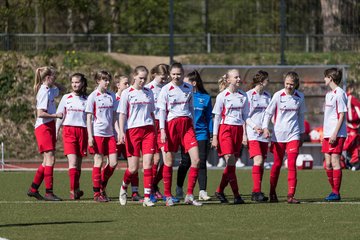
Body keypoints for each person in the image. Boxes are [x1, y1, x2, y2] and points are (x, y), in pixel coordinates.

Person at [157, 62, 202, 207]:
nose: (176, 76)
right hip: (171, 126)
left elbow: (191, 108)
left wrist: (193, 126)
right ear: (170, 74)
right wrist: (163, 130)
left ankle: (189, 195)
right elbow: (162, 112)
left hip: (187, 126)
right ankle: (168, 195)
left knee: (196, 160)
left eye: (179, 74)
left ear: (183, 74)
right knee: (169, 162)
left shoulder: (189, 87)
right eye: (174, 74)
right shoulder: (166, 89)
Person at [262, 71, 306, 204]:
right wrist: (265, 128)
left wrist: (302, 134)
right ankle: (272, 192)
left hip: (294, 134)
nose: (288, 86)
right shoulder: (277, 95)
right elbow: (268, 113)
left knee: (292, 164)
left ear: (296, 84)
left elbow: (301, 116)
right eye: (287, 84)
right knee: (277, 164)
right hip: (278, 135)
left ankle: (290, 195)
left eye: (291, 84)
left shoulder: (300, 97)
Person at [117, 66, 156, 207]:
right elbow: (122, 114)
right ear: (134, 76)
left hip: (149, 130)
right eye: (140, 78)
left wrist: (156, 130)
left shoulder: (149, 92)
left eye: (145, 78)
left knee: (148, 165)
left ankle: (147, 197)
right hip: (132, 131)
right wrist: (121, 132)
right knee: (133, 168)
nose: (143, 81)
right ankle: (123, 187)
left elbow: (152, 113)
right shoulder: (127, 93)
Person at [212, 69, 249, 204]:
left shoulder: (243, 95)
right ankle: (236, 195)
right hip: (225, 130)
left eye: (239, 77)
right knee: (231, 161)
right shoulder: (222, 96)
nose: (238, 79)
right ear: (228, 80)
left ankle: (220, 190)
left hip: (238, 130)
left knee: (231, 165)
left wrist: (247, 132)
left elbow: (245, 117)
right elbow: (216, 118)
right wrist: (215, 136)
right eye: (236, 77)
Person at [27, 66, 63, 201]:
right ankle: (49, 192)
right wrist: (55, 115)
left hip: (49, 125)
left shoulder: (49, 89)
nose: (56, 79)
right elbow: (40, 113)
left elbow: (62, 89)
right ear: (48, 78)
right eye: (54, 76)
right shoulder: (43, 92)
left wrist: (53, 81)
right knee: (50, 159)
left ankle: (33, 189)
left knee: (46, 161)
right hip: (43, 127)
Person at [176, 70, 213, 201]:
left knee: (201, 162)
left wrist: (211, 134)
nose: (183, 85)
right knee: (185, 162)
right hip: (186, 133)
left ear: (194, 83)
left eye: (186, 83)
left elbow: (209, 118)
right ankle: (179, 187)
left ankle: (202, 190)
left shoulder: (206, 98)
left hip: (202, 134)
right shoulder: (182, 96)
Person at [86, 70, 118, 202]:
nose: (107, 82)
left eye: (108, 79)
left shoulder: (112, 95)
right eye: (104, 80)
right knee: (98, 162)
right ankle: (96, 193)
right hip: (98, 133)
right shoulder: (93, 96)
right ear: (98, 81)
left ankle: (102, 185)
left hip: (110, 134)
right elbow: (89, 117)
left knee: (114, 162)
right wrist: (90, 136)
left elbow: (115, 116)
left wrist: (119, 132)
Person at [56, 73, 88, 200]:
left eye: (77, 82)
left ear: (82, 83)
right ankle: (72, 190)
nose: (75, 84)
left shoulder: (87, 99)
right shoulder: (66, 97)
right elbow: (60, 115)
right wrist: (56, 130)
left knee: (79, 165)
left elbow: (90, 118)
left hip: (83, 131)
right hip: (69, 131)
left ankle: (76, 188)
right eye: (73, 82)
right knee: (73, 163)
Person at [112, 74, 142, 201]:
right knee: (112, 164)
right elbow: (114, 119)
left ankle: (135, 192)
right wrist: (119, 132)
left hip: (130, 134)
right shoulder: (113, 98)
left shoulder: (130, 95)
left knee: (133, 165)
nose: (128, 86)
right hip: (115, 136)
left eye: (128, 83)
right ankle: (101, 189)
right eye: (125, 83)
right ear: (118, 85)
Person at [145, 64, 170, 201]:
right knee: (156, 159)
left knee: (167, 159)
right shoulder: (148, 88)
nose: (165, 79)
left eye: (166, 76)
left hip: (165, 124)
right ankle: (151, 189)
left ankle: (154, 185)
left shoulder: (167, 88)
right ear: (154, 74)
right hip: (152, 124)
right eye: (162, 76)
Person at [322, 68, 347, 201]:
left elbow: (342, 114)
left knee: (335, 161)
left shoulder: (340, 93)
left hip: (336, 134)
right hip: (327, 133)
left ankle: (336, 193)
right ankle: (333, 191)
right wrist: (326, 133)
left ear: (330, 78)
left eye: (325, 77)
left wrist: (334, 134)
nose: (324, 79)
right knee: (328, 163)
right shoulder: (329, 94)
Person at [245, 70, 271, 202]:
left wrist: (266, 128)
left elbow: (267, 114)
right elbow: (245, 116)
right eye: (267, 80)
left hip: (263, 134)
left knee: (261, 164)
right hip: (252, 133)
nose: (268, 82)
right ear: (262, 81)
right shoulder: (249, 95)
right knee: (258, 160)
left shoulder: (267, 96)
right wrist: (253, 127)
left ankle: (257, 192)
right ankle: (256, 191)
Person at [344, 82, 360, 170]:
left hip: (352, 125)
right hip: (349, 125)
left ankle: (354, 162)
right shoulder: (349, 98)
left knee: (353, 144)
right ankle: (352, 162)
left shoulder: (349, 98)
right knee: (350, 144)